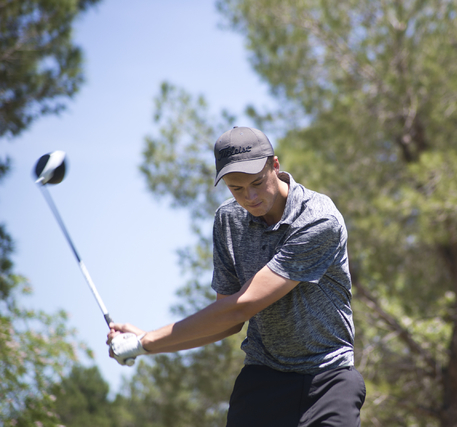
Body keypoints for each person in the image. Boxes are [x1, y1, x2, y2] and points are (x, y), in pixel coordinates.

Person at [107, 126, 366, 426]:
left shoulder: (318, 219)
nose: (250, 197)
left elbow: (242, 306)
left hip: (328, 379)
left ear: (276, 166)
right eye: (236, 188)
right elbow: (228, 323)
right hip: (263, 379)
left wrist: (147, 341)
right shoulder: (228, 220)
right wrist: (144, 342)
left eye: (257, 182)